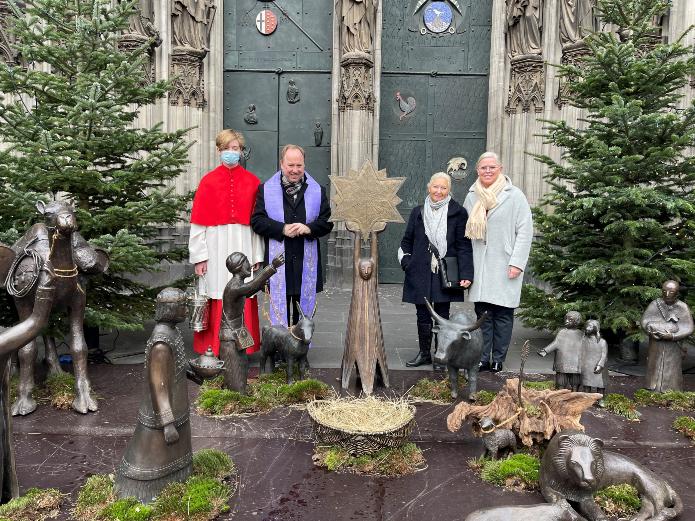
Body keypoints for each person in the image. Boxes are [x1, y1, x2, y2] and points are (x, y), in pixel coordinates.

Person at [188, 129, 265, 356]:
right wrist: (199, 257)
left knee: (243, 291)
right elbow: (198, 224)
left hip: (243, 245)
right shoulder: (208, 181)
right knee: (215, 291)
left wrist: (258, 255)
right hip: (215, 246)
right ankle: (212, 346)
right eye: (226, 149)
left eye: (235, 149)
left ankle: (245, 346)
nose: (231, 153)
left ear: (241, 152)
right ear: (218, 151)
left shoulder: (253, 182)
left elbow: (256, 224)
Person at [115, 288, 192, 504]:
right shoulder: (161, 343)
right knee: (148, 464)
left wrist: (197, 372)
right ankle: (143, 496)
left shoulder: (172, 332)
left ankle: (174, 485)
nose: (187, 310)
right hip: (163, 415)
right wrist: (167, 423)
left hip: (176, 408)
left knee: (174, 457)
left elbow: (176, 366)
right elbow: (158, 385)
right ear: (169, 310)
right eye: (183, 306)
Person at [464, 152, 533, 373]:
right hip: (481, 264)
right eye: (483, 167)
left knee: (503, 314)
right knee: (483, 313)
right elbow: (464, 232)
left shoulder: (515, 196)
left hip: (505, 263)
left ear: (500, 169)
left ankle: (498, 358)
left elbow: (525, 231)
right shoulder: (472, 195)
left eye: (492, 167)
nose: (487, 171)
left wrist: (517, 263)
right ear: (477, 170)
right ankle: (484, 357)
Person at [251, 144, 333, 326]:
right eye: (290, 165)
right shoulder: (266, 189)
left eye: (299, 165)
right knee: (280, 308)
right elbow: (257, 221)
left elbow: (327, 223)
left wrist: (309, 228)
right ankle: (280, 349)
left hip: (305, 264)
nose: (295, 170)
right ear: (282, 164)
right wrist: (281, 229)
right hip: (279, 263)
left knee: (300, 313)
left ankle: (299, 351)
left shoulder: (318, 190)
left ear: (304, 165)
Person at [399, 171, 474, 368]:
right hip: (420, 270)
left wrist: (466, 274)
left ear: (449, 190)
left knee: (442, 315)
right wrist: (407, 262)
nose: (439, 191)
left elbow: (464, 246)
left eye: (443, 188)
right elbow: (407, 241)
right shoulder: (417, 212)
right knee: (422, 314)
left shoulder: (458, 213)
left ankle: (441, 355)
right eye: (435, 187)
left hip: (445, 271)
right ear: (429, 187)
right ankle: (424, 353)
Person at [641, 280, 694, 392]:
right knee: (654, 366)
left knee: (672, 368)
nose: (667, 294)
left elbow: (689, 327)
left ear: (677, 293)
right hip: (656, 344)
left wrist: (673, 336)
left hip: (673, 347)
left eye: (671, 292)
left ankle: (672, 390)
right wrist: (651, 331)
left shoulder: (682, 307)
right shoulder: (655, 304)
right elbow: (645, 320)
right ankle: (651, 388)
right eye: (664, 291)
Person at [538, 311, 583, 390]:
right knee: (561, 380)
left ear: (577, 321)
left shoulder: (581, 334)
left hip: (576, 361)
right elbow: (556, 343)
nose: (566, 321)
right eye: (566, 319)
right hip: (563, 360)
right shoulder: (562, 332)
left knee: (575, 381)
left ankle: (575, 393)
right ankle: (560, 393)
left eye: (570, 320)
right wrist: (545, 351)